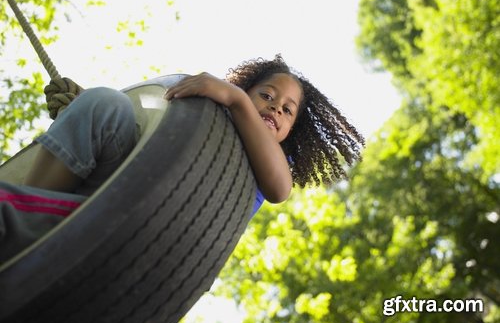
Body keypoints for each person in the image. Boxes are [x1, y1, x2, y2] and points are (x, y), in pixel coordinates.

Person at [0, 55, 364, 262]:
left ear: (291, 133)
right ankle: (18, 212)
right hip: (111, 193)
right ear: (243, 88)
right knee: (103, 103)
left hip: (158, 236)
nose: (274, 108)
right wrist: (83, 115)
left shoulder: (266, 164)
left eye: (287, 111)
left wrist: (236, 100)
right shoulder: (200, 125)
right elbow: (142, 133)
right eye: (266, 95)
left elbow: (280, 189)